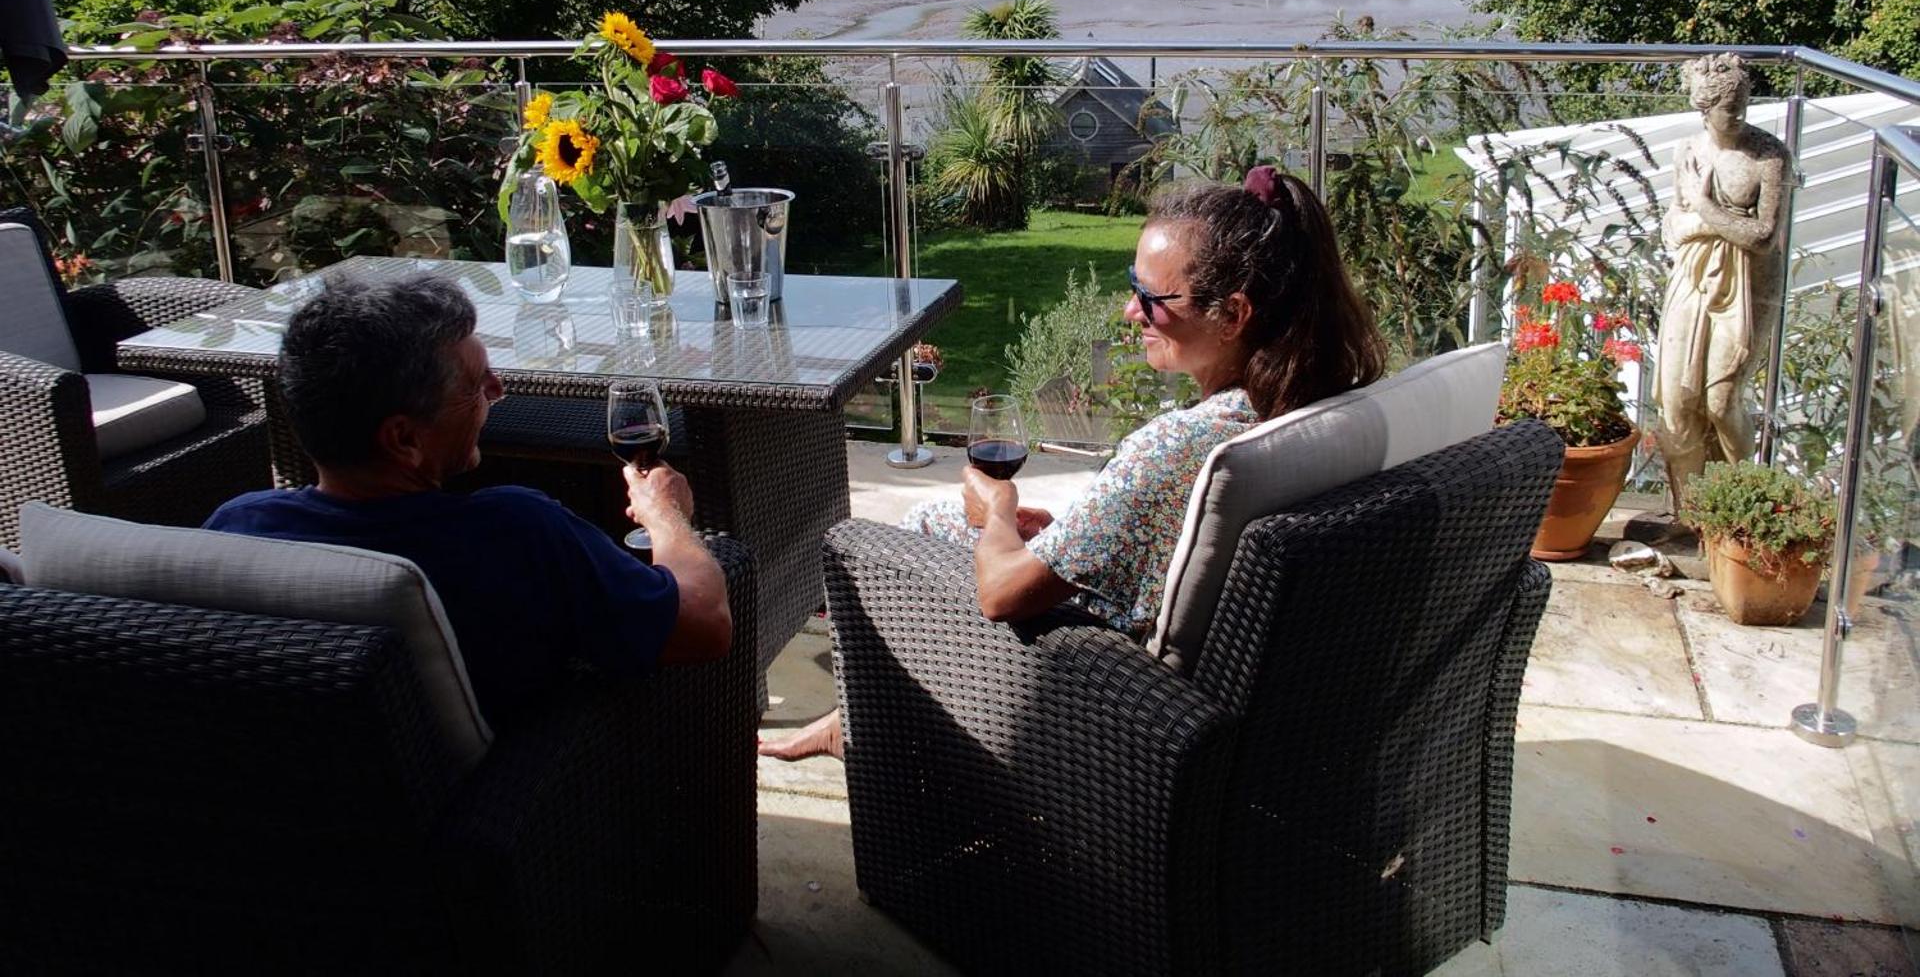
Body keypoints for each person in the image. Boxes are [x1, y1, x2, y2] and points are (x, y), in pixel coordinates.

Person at [763, 165, 1386, 759]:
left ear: (1234, 314)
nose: (1131, 310)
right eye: (1132, 284)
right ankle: (855, 718)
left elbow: (1002, 594)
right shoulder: (1318, 406)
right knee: (955, 522)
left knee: (921, 531)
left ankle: (868, 726)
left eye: (1151, 296)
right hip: (1225, 690)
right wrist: (1077, 532)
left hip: (1104, 694)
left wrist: (998, 511)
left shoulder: (1173, 447)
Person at [204, 271, 732, 728]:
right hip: (527, 791)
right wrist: (665, 514)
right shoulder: (513, 533)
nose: (498, 390)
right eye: (476, 384)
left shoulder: (238, 532)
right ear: (404, 439)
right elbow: (705, 625)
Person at [1654, 53, 1789, 506]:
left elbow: (1763, 236)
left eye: (1744, 104)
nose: (1739, 115)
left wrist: (1704, 208)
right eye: (1730, 108)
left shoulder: (1769, 154)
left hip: (1748, 287)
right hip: (1692, 277)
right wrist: (1702, 220)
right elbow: (1673, 225)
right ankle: (1691, 508)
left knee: (1722, 400)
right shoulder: (1688, 150)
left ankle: (1740, 501)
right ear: (1705, 108)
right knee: (1677, 399)